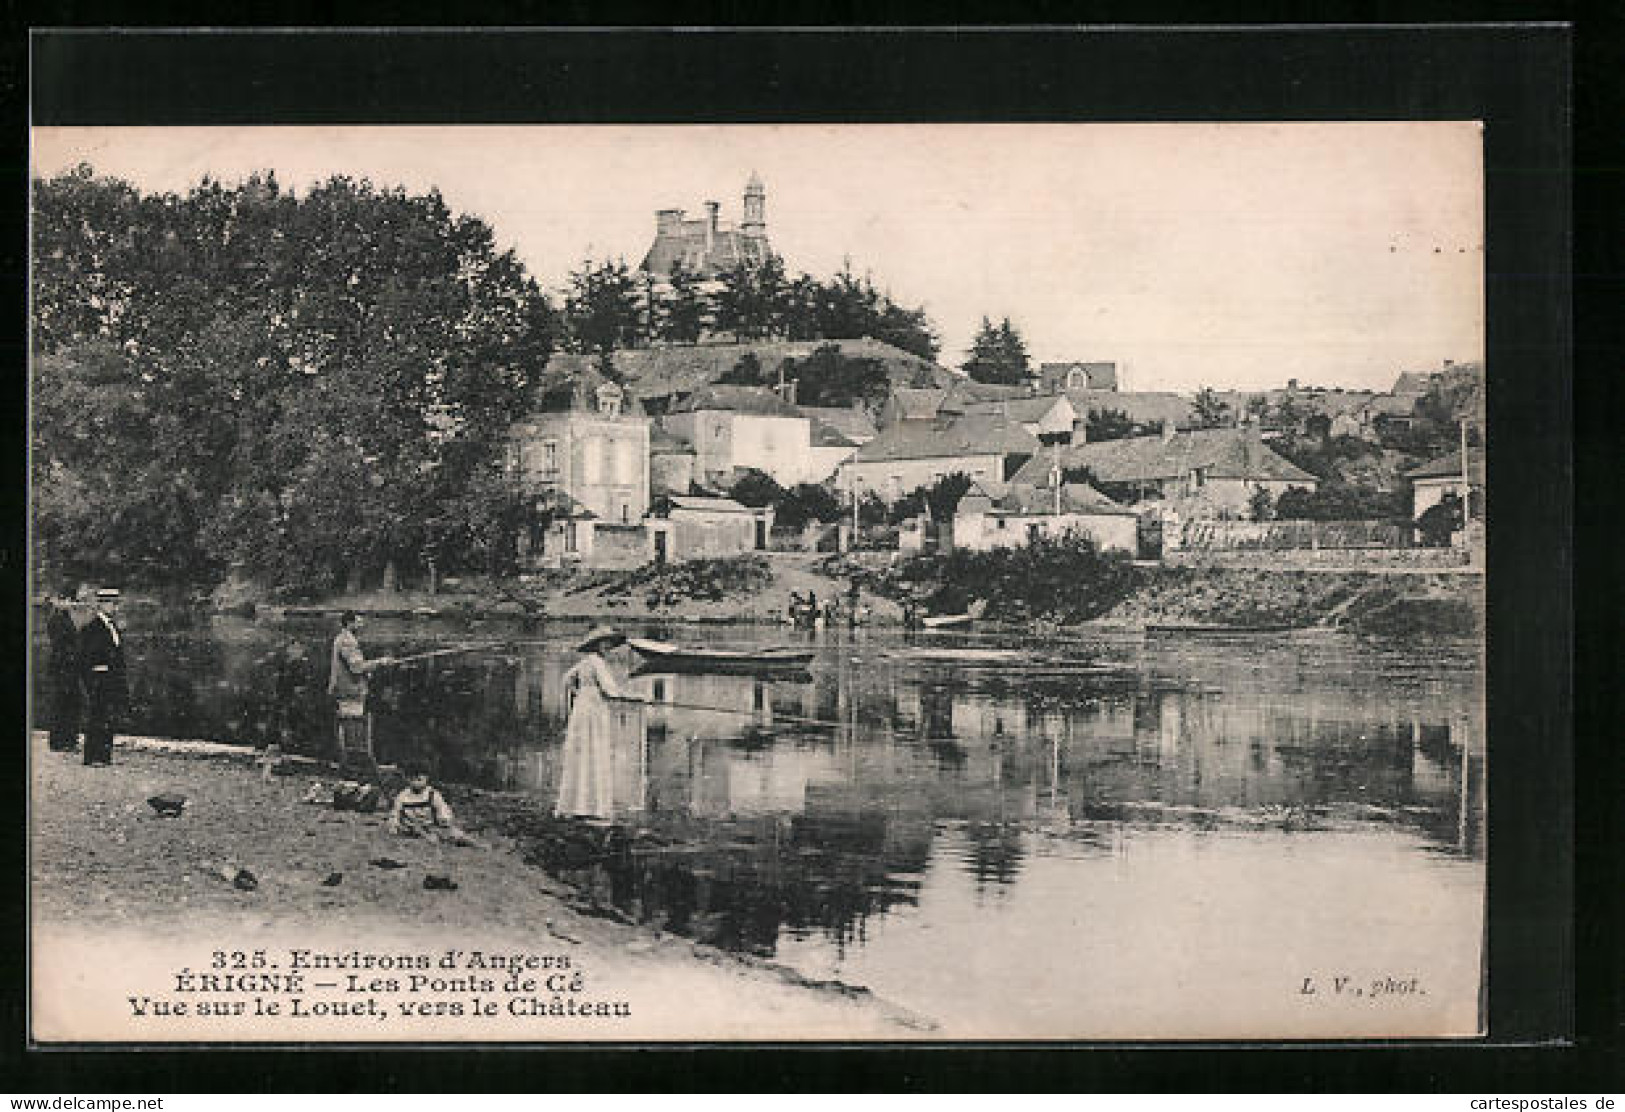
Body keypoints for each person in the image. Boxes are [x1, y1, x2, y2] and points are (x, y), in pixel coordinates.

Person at [556, 626, 647, 819]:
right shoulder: (598, 663)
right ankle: (591, 807)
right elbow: (611, 691)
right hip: (594, 711)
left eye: (610, 644)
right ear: (597, 645)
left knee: (583, 752)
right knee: (594, 751)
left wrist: (580, 693)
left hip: (582, 709)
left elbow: (566, 680)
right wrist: (636, 698)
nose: (608, 647)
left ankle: (576, 805)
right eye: (605, 643)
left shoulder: (585, 662)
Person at [328, 612, 391, 768]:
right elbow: (356, 667)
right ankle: (353, 764)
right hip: (351, 690)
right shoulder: (348, 641)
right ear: (350, 623)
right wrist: (380, 662)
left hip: (346, 689)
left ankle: (349, 762)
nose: (362, 625)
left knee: (349, 726)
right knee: (353, 727)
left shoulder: (342, 639)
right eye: (359, 622)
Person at [78, 587, 127, 766]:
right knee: (97, 717)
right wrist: (92, 680)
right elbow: (84, 658)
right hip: (99, 680)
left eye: (115, 603)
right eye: (111, 603)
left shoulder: (112, 627)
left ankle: (104, 756)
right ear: (102, 605)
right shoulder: (91, 628)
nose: (114, 607)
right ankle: (92, 757)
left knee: (107, 717)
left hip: (111, 680)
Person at [387, 766, 479, 846]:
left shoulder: (432, 794)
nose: (416, 783)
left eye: (419, 780)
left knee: (455, 834)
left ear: (427, 779)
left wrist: (444, 819)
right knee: (425, 837)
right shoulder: (403, 796)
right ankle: (430, 838)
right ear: (407, 779)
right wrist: (394, 825)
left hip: (432, 825)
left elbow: (442, 808)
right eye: (412, 780)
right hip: (412, 827)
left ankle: (475, 844)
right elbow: (395, 813)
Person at [45, 585, 83, 752]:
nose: (70, 603)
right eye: (67, 600)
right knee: (63, 703)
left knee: (69, 703)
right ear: (60, 601)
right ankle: (60, 740)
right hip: (63, 667)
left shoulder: (64, 617)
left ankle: (66, 739)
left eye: (71, 600)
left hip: (68, 666)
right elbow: (61, 645)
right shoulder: (56, 619)